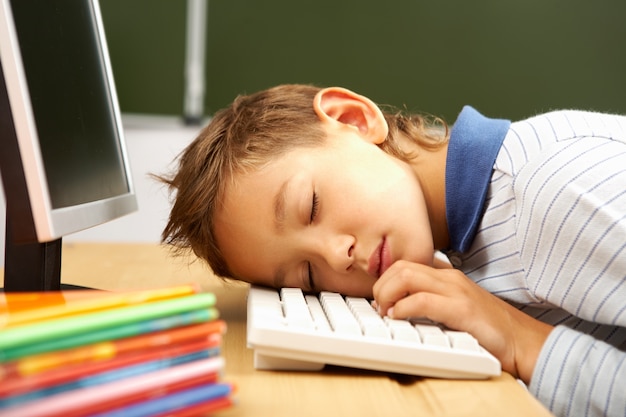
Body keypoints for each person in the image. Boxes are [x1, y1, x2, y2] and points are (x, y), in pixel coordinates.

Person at [159, 84, 626, 417]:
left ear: (353, 120)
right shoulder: (463, 238)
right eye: (307, 276)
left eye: (311, 206)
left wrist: (520, 340)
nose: (337, 257)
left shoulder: (556, 192)